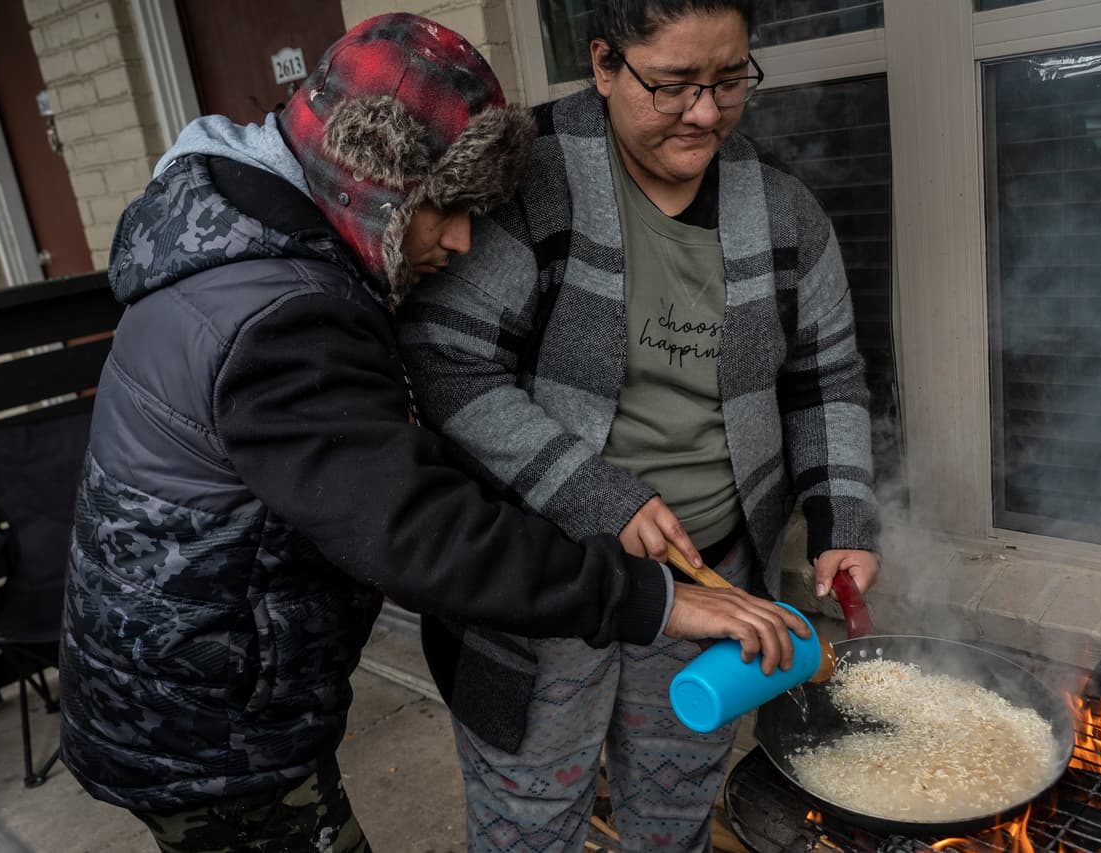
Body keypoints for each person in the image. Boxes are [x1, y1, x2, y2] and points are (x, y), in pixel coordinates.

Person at [56, 13, 810, 853]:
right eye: (444, 208)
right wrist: (655, 599)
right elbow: (422, 532)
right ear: (369, 180)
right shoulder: (283, 315)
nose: (458, 242)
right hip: (206, 721)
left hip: (200, 675)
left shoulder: (235, 225)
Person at [399, 1, 882, 849]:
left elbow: (826, 376)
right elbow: (446, 361)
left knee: (675, 813)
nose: (705, 112)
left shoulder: (783, 211)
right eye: (672, 85)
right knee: (528, 820)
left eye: (730, 81)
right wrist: (597, 494)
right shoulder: (530, 182)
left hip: (711, 577)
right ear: (603, 64)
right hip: (543, 581)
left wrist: (841, 515)